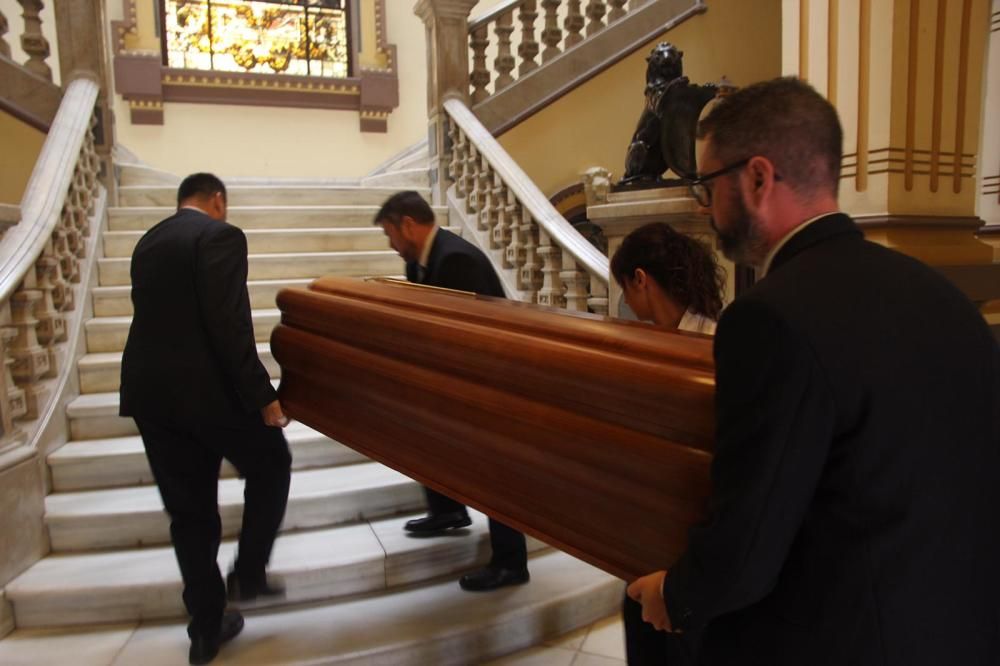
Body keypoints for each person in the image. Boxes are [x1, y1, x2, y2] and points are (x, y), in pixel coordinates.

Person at [625, 77, 1000, 666]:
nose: (704, 204)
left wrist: (676, 595)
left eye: (707, 183)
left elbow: (750, 539)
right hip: (961, 623)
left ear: (756, 178)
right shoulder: (936, 289)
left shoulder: (768, 318)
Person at [120, 173, 293, 665]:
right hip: (210, 396)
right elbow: (227, 320)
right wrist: (263, 396)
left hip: (151, 398)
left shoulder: (149, 240)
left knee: (190, 516)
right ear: (217, 200)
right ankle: (251, 572)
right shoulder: (220, 235)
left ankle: (206, 628)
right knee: (271, 463)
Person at [373, 190, 529, 592]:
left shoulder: (456, 259)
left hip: (487, 383)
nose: (391, 245)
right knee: (426, 436)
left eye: (391, 234)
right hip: (448, 379)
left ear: (408, 224)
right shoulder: (419, 264)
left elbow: (477, 335)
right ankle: (447, 510)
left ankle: (511, 562)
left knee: (496, 471)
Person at [610, 222, 724, 334]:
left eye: (624, 286)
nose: (625, 300)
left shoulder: (712, 337)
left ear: (640, 279)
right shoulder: (665, 335)